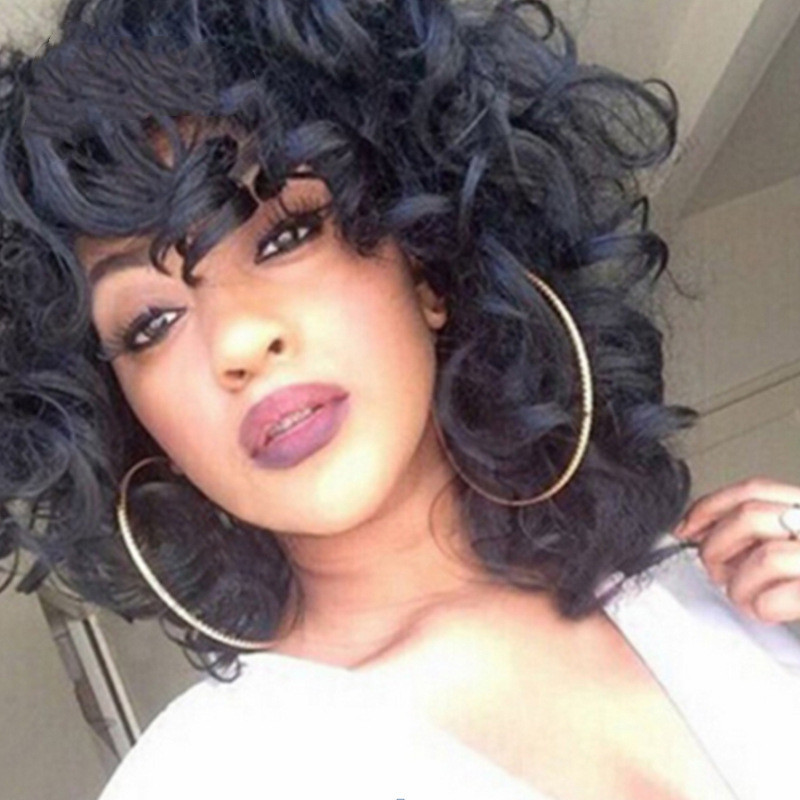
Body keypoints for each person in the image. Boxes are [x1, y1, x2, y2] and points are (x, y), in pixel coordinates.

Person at [0, 1, 798, 798]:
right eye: (151, 323)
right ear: (134, 423)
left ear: (425, 264)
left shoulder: (719, 598)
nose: (239, 341)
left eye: (284, 237)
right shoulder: (204, 779)